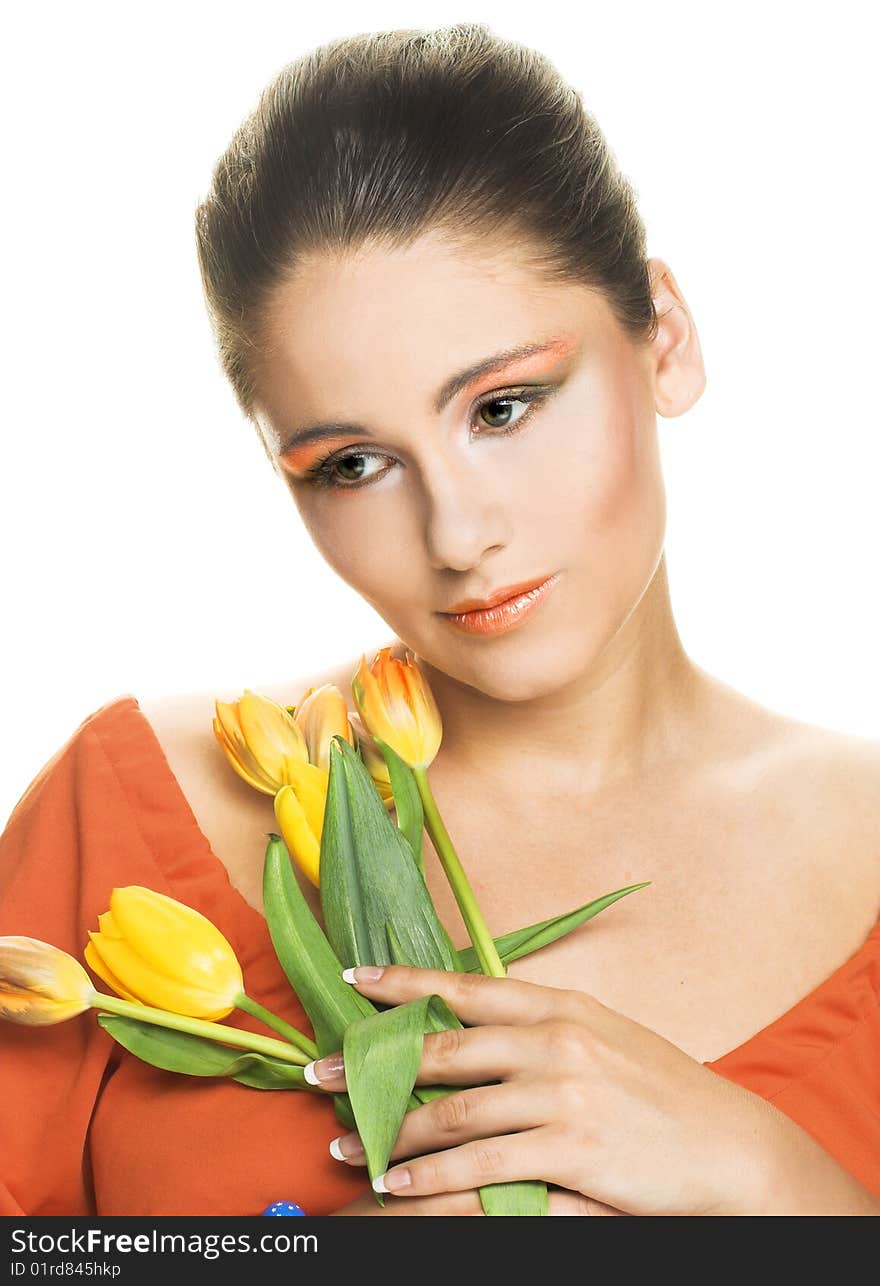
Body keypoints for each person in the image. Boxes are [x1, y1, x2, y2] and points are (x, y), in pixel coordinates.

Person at [2, 21, 879, 1218]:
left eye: (505, 405)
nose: (459, 535)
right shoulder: (137, 805)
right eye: (353, 463)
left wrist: (777, 1187)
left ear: (663, 336)